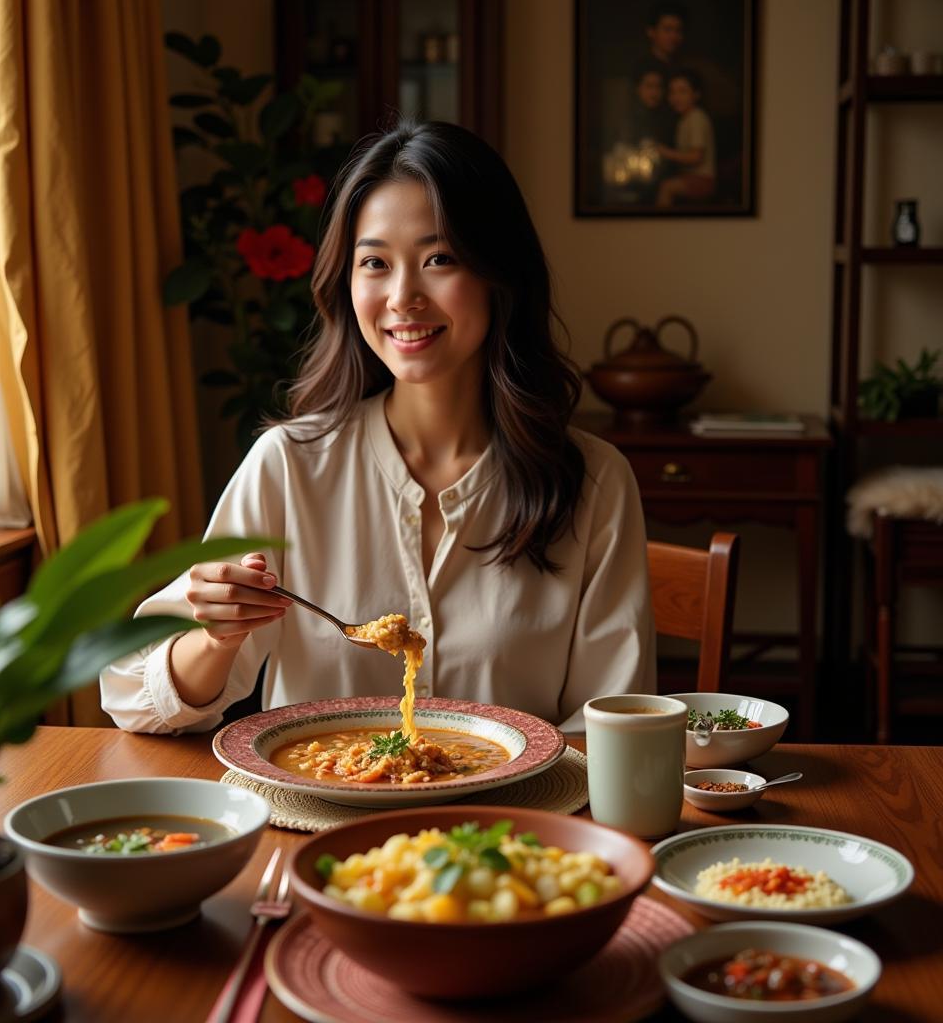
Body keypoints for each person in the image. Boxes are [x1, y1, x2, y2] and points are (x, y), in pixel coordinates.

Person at [100, 120, 656, 735]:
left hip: (513, 825)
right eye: (375, 263)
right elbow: (132, 696)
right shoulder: (287, 466)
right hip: (313, 820)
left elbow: (612, 724)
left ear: (501, 276)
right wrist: (218, 638)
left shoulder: (595, 481)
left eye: (439, 258)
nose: (402, 295)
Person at [656, 69, 716, 207]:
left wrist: (664, 152)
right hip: (689, 177)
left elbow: (696, 157)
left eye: (682, 91)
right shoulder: (684, 119)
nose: (676, 97)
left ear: (696, 94)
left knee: (666, 187)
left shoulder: (697, 118)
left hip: (702, 179)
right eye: (672, 92)